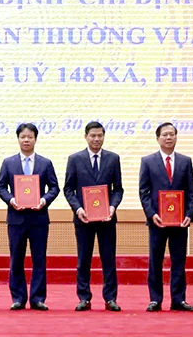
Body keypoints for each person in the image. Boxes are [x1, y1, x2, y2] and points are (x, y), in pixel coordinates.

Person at [0, 123, 59, 311]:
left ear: (35, 139)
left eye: (30, 137)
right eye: (23, 137)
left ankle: (38, 298)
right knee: (16, 258)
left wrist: (44, 200)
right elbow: (0, 187)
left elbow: (54, 187)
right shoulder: (9, 163)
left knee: (39, 259)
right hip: (16, 218)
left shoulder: (45, 163)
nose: (26, 140)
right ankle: (18, 297)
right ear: (18, 139)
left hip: (39, 218)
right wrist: (11, 199)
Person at [63, 121, 123, 312]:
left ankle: (110, 298)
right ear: (86, 137)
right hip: (84, 219)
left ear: (104, 136)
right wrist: (78, 208)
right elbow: (68, 189)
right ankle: (84, 297)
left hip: (107, 219)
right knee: (83, 259)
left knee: (109, 259)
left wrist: (113, 206)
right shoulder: (75, 159)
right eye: (93, 136)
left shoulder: (113, 159)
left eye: (100, 135)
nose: (96, 139)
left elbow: (118, 189)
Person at [138, 122, 193, 312]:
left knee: (179, 261)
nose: (169, 138)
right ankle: (155, 299)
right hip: (157, 221)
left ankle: (178, 299)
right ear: (158, 138)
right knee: (155, 260)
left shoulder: (185, 161)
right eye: (165, 135)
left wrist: (189, 215)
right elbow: (144, 192)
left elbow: (190, 192)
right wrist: (151, 214)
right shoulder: (147, 161)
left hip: (180, 221)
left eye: (172, 134)